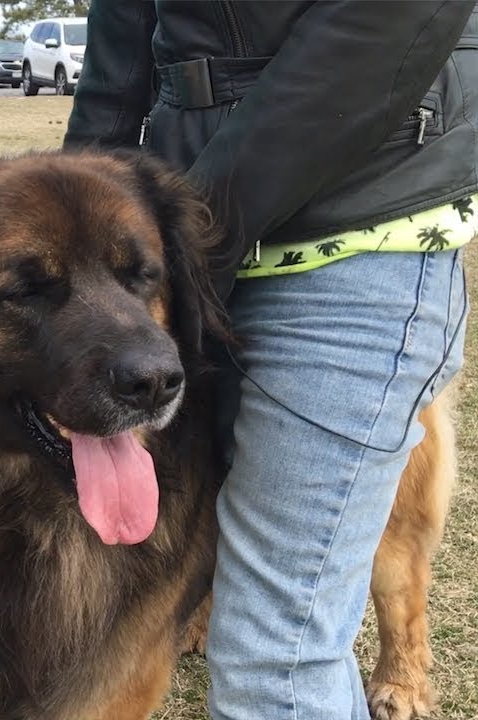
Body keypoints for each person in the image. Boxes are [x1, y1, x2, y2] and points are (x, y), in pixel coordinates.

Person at [64, 2, 475, 719]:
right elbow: (118, 60)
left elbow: (384, 25)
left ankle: (406, 656)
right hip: (184, 254)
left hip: (354, 237)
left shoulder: (193, 236)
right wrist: (84, 247)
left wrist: (193, 236)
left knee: (275, 659)